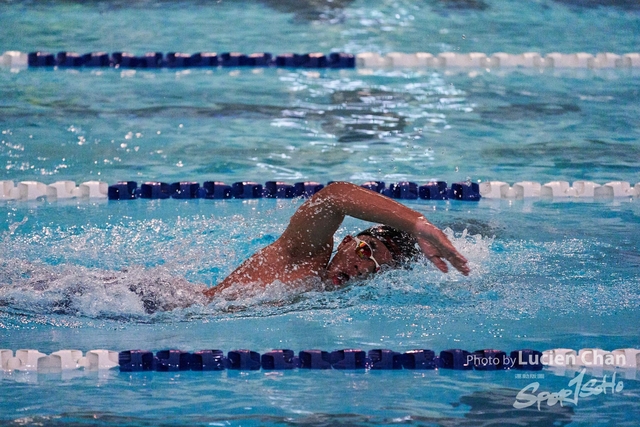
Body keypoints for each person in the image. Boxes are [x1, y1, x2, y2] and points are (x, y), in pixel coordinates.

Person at [204, 181, 469, 299]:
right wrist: (418, 224)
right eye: (366, 251)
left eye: (375, 268)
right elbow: (334, 197)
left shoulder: (319, 297)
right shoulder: (306, 258)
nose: (362, 268)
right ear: (346, 242)